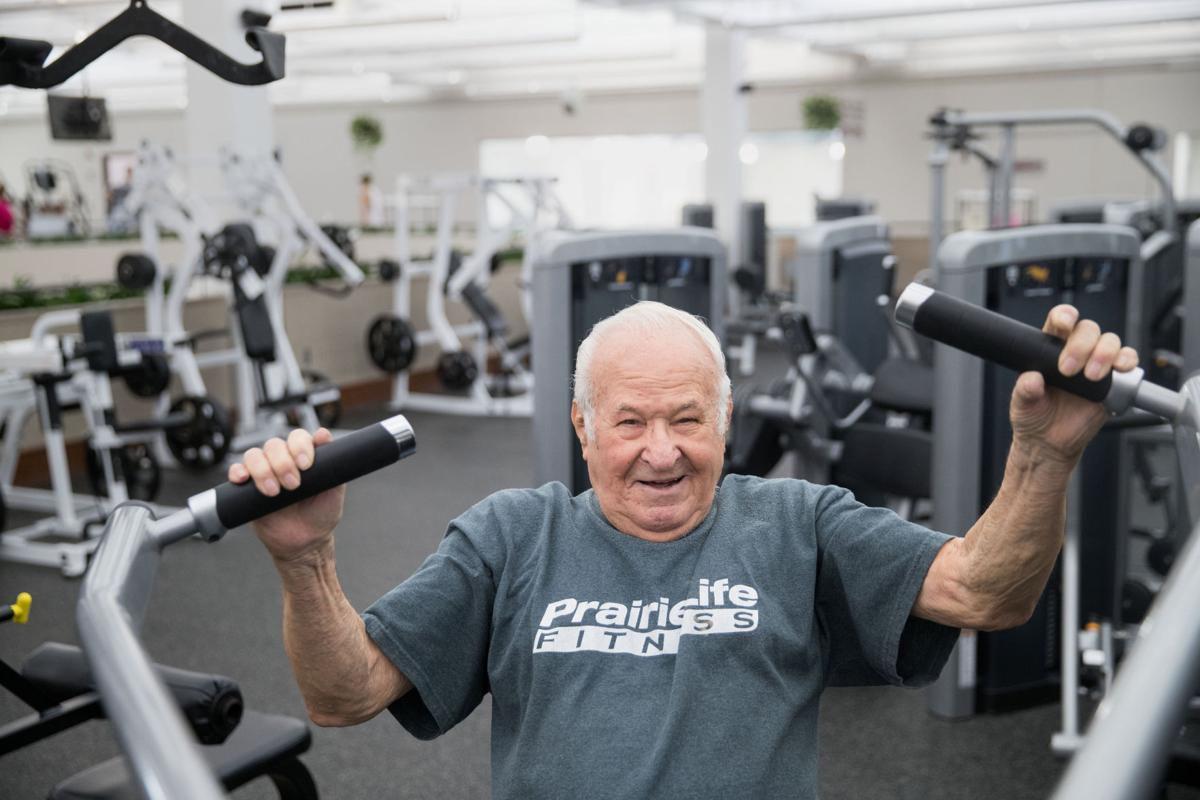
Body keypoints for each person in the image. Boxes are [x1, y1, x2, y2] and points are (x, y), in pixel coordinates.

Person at [230, 300, 1137, 798]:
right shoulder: (512, 536)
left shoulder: (798, 522)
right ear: (583, 426)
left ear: (728, 419)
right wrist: (305, 560)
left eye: (687, 419)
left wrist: (1044, 455)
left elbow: (987, 594)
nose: (660, 451)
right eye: (629, 421)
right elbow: (344, 695)